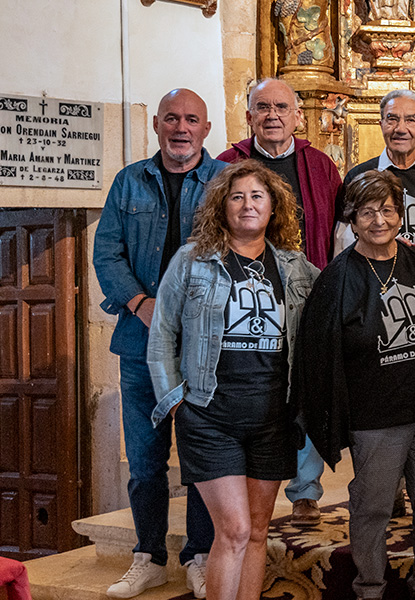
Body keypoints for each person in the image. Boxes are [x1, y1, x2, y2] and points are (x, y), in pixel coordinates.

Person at [147, 160, 319, 600]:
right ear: (221, 206)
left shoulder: (295, 266)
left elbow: (338, 299)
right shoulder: (192, 261)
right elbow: (163, 332)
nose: (247, 205)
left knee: (259, 531)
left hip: (271, 417)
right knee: (235, 531)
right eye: (237, 196)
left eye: (257, 196)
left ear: (273, 207)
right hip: (209, 416)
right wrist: (177, 401)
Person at [292, 170, 415, 600]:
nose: (378, 220)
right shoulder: (338, 277)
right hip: (375, 417)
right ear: (352, 218)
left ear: (401, 214)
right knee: (372, 508)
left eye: (386, 210)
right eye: (367, 212)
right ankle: (369, 588)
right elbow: (317, 353)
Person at [93, 88, 224, 599]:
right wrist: (142, 304)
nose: (181, 127)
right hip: (138, 342)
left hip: (203, 346)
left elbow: (236, 250)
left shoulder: (223, 182)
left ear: (206, 129)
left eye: (192, 119)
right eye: (172, 118)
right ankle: (147, 555)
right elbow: (107, 253)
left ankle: (198, 554)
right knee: (147, 460)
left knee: (198, 459)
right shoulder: (129, 182)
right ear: (158, 126)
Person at [217, 78, 342, 527]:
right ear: (248, 115)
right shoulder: (227, 165)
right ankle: (250, 484)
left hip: (307, 293)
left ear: (297, 115)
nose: (272, 115)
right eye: (262, 106)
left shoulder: (322, 166)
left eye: (281, 107)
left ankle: (305, 489)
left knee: (304, 387)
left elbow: (339, 231)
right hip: (243, 298)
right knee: (264, 389)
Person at [340, 90, 415, 251]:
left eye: (411, 120)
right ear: (381, 125)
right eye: (392, 119)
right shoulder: (357, 177)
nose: (400, 129)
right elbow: (343, 240)